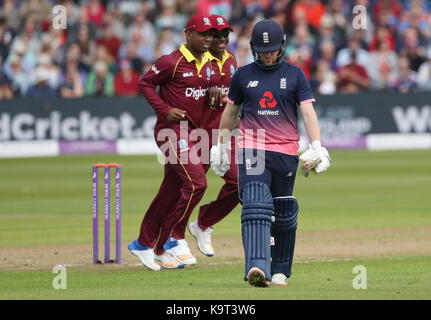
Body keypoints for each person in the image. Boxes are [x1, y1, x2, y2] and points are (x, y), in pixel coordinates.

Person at [210, 19, 330, 287]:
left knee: (283, 212)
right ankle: (256, 266)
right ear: (253, 48)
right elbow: (231, 112)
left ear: (282, 45)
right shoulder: (242, 75)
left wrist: (316, 145)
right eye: (262, 51)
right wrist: (220, 144)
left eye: (272, 50)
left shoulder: (296, 75)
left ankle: (279, 270)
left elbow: (308, 112)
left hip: (286, 152)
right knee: (254, 204)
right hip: (253, 148)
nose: (267, 55)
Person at [128, 15, 222, 271]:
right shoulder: (171, 61)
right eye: (203, 34)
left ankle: (145, 243)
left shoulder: (209, 63)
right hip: (171, 132)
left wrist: (217, 98)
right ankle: (170, 240)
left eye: (210, 35)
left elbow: (207, 95)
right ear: (187, 34)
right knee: (197, 183)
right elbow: (145, 83)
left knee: (169, 192)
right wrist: (165, 109)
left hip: (195, 135)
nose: (208, 39)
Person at [186, 14, 239, 257]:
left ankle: (203, 223)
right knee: (188, 189)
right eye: (216, 34)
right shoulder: (199, 61)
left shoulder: (231, 60)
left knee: (241, 183)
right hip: (200, 135)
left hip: (226, 135)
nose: (221, 39)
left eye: (225, 34)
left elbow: (234, 100)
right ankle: (165, 239)